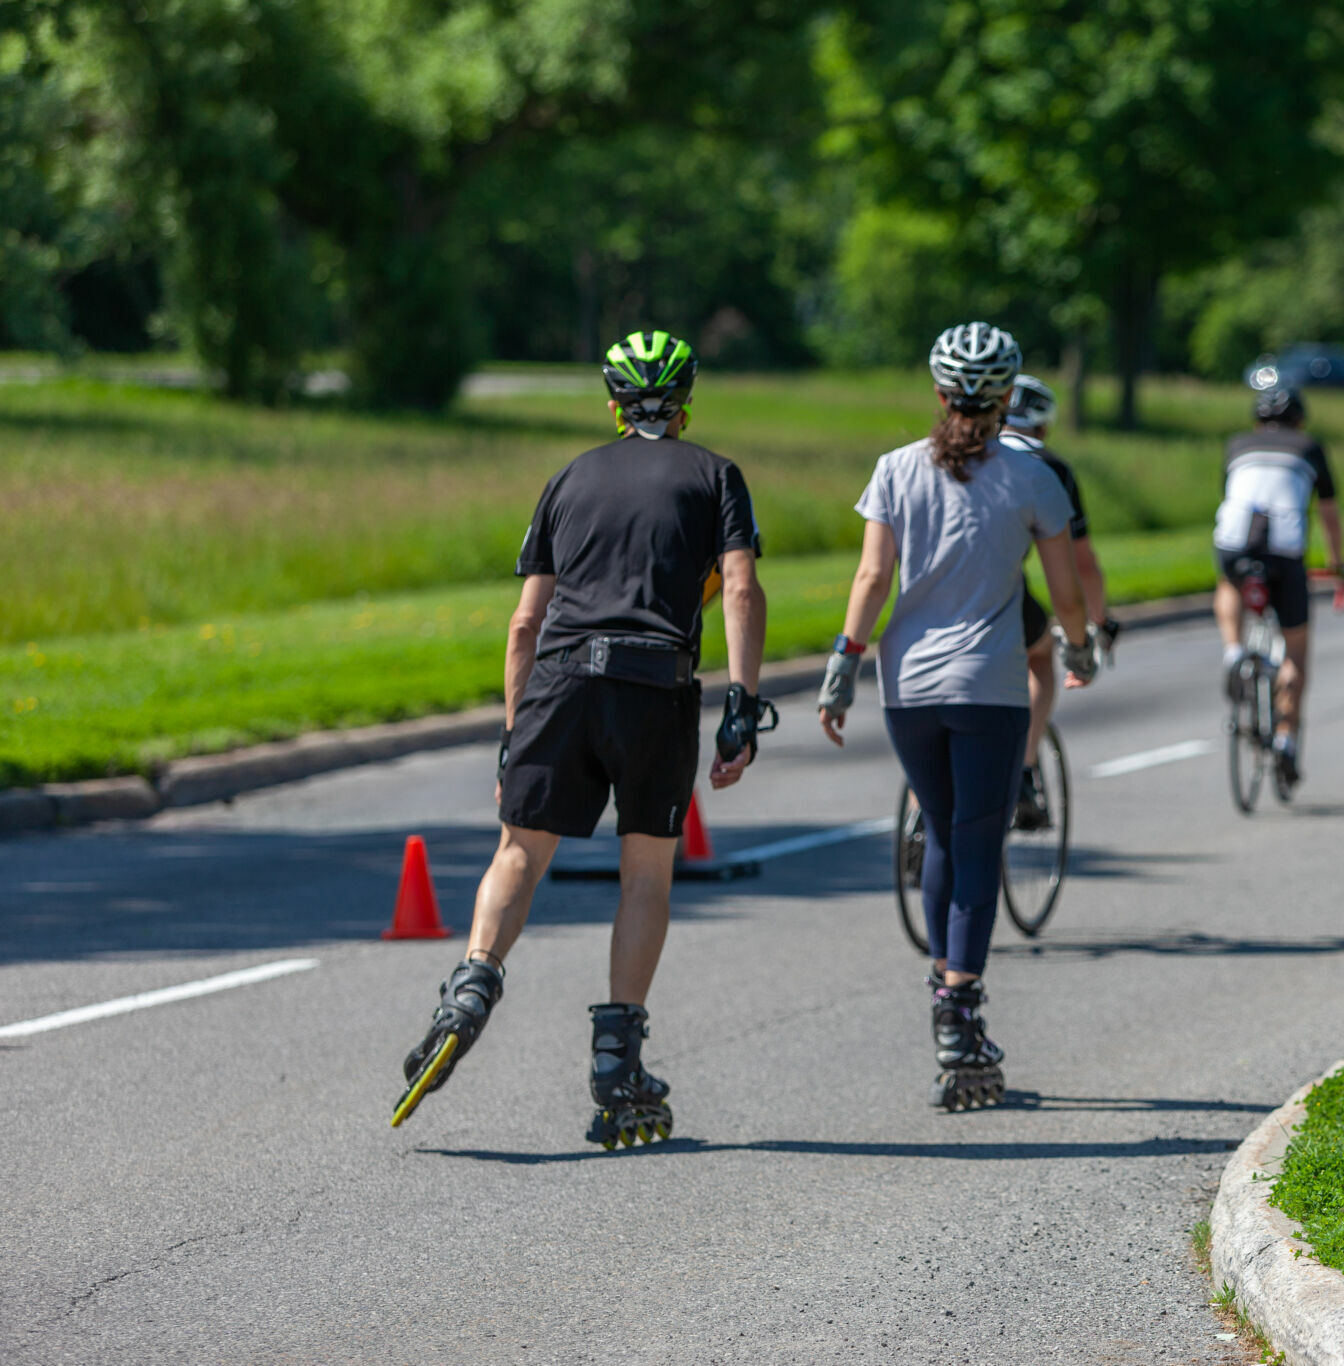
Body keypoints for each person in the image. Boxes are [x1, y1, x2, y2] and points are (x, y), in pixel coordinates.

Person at [391, 329, 773, 1149]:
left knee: (519, 851)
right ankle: (617, 1062)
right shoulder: (715, 475)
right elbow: (739, 588)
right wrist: (743, 702)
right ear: (686, 404)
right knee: (644, 872)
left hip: (559, 682)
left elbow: (526, 620)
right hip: (652, 686)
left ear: (611, 403)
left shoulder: (569, 479)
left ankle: (471, 985)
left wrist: (513, 730)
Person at [817, 322, 1097, 1111]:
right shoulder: (1033, 475)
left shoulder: (896, 468)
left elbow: (874, 577)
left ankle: (947, 986)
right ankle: (958, 1011)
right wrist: (1077, 648)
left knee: (941, 834)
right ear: (1009, 396)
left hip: (907, 684)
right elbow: (1066, 585)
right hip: (990, 683)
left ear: (938, 392)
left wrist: (844, 662)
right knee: (978, 846)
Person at [1212, 385, 1344, 788]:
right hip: (1285, 546)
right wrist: (1336, 564)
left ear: (1257, 420)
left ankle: (1233, 649)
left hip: (1234, 536)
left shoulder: (1238, 444)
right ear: (1299, 421)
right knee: (1296, 650)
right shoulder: (1309, 447)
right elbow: (1329, 514)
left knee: (1229, 582)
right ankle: (1286, 738)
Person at [999, 374, 1113, 829]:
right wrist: (1095, 627)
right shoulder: (1050, 469)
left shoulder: (959, 452)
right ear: (1043, 428)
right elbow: (1080, 567)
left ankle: (917, 818)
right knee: (1040, 655)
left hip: (930, 595)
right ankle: (1024, 768)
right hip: (1004, 587)